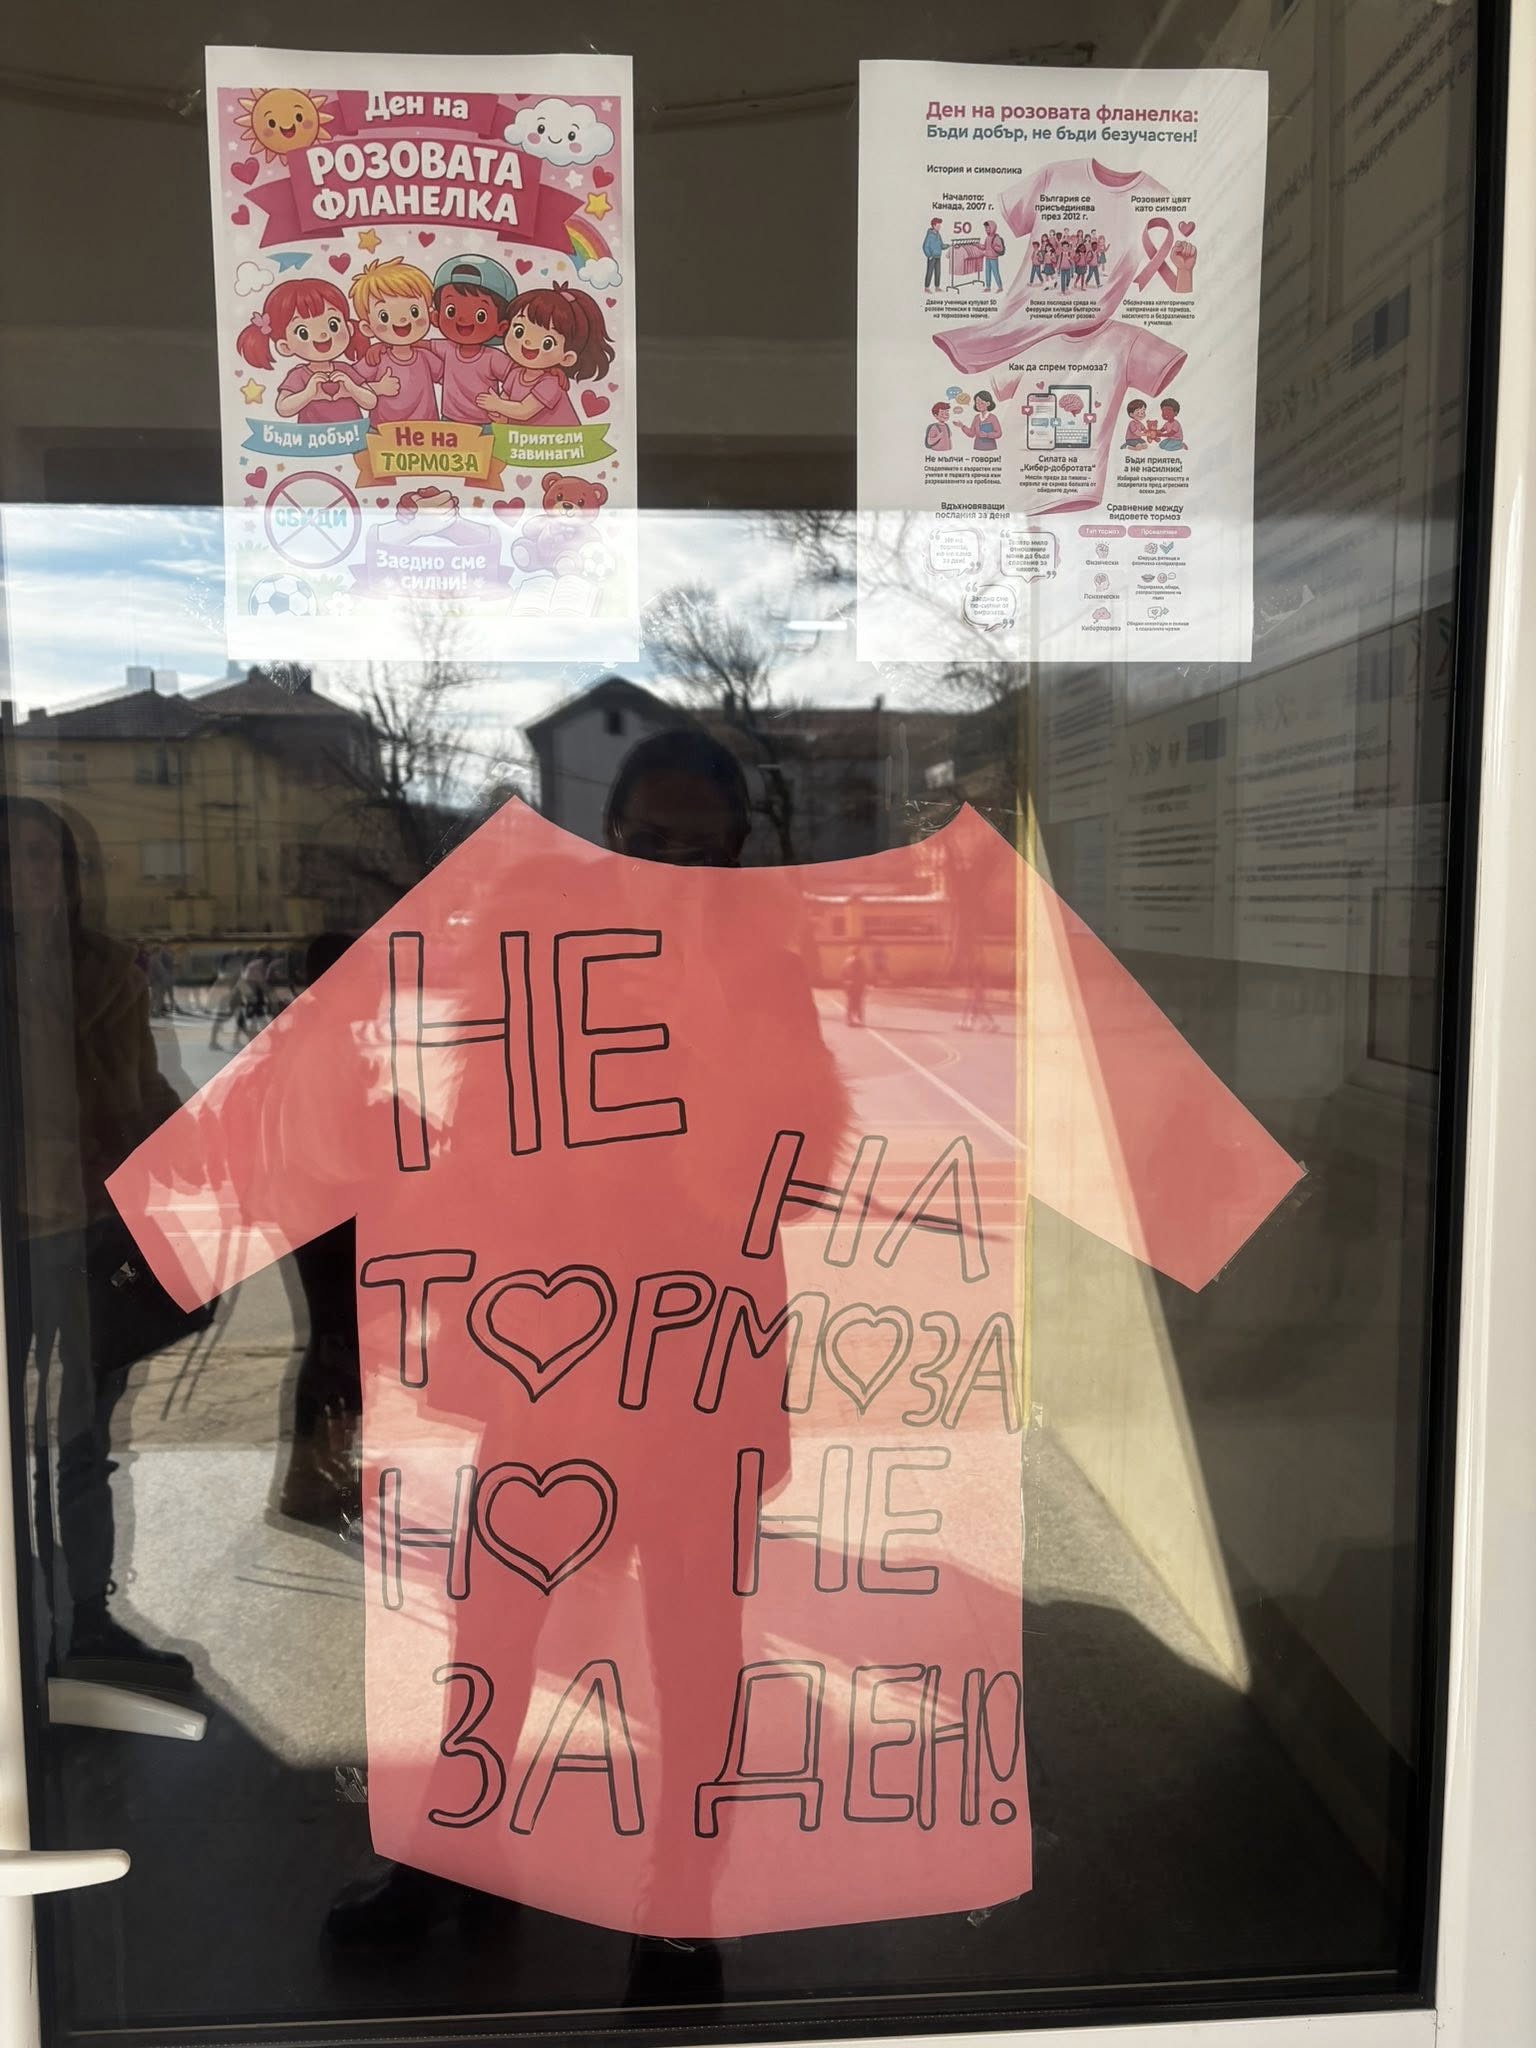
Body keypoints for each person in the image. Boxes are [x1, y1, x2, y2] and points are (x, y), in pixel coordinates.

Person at [0, 798, 193, 1690]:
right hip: (11, 1246)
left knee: (82, 1444)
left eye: (44, 855)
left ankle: (85, 1625)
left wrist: (201, 1160)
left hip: (93, 1236)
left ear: (71, 873)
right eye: (10, 855)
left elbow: (146, 1095)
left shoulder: (110, 971)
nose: (27, 872)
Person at [841, 946, 868, 1026]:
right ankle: (858, 1019)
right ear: (858, 952)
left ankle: (849, 1019)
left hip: (848, 984)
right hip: (857, 984)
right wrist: (864, 983)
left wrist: (845, 982)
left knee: (850, 1002)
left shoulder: (846, 961)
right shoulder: (859, 961)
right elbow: (862, 973)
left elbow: (842, 973)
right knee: (858, 1002)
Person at [980, 218, 1005, 292]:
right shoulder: (987, 238)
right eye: (986, 229)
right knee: (987, 273)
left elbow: (1001, 248)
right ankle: (988, 287)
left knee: (995, 273)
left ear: (993, 228)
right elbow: (984, 247)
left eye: (988, 229)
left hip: (994, 258)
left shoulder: (996, 238)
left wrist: (994, 247)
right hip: (987, 258)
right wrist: (977, 245)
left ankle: (1000, 287)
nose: (986, 230)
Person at [923, 216, 945, 290]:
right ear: (934, 226)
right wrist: (929, 255)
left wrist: (948, 245)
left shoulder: (939, 235)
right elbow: (925, 246)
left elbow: (942, 245)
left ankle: (937, 287)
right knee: (930, 272)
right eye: (938, 225)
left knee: (938, 272)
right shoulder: (929, 235)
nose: (939, 227)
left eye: (940, 225)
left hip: (938, 256)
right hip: (932, 257)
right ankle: (927, 288)